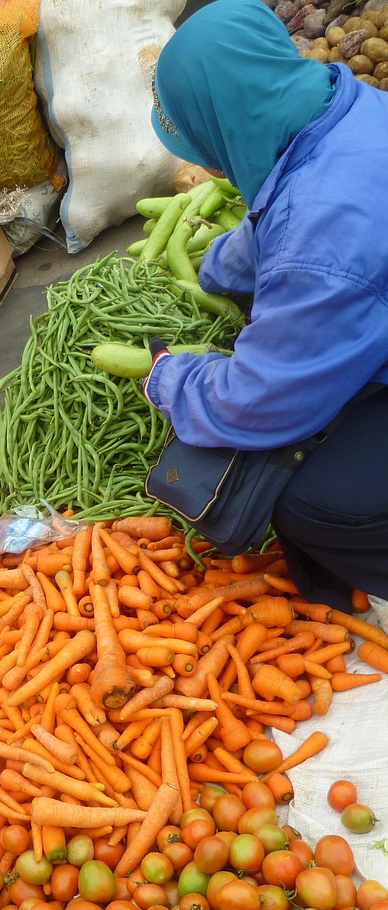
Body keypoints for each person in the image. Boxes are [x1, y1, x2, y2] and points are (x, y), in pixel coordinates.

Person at [143, 0, 388, 610]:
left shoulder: (320, 239)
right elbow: (283, 218)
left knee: (310, 499)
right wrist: (220, 266)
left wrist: (170, 375)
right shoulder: (346, 108)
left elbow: (255, 405)